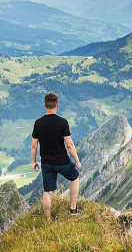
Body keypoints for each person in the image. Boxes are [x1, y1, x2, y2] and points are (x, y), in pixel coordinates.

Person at [31, 92, 82, 222]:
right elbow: (69, 145)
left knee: (47, 191)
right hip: (62, 161)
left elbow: (33, 145)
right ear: (57, 105)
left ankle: (48, 220)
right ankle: (73, 209)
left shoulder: (38, 123)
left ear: (45, 105)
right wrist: (77, 160)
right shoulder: (63, 122)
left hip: (46, 163)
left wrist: (34, 161)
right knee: (75, 177)